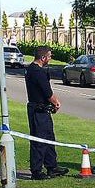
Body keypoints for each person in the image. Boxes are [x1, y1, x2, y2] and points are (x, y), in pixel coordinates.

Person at [25, 46, 69, 180]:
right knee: (40, 140)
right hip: (39, 110)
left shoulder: (30, 69)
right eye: (49, 56)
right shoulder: (38, 72)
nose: (50, 59)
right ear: (43, 58)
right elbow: (48, 93)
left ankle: (52, 166)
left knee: (49, 137)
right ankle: (36, 171)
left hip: (39, 108)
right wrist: (56, 103)